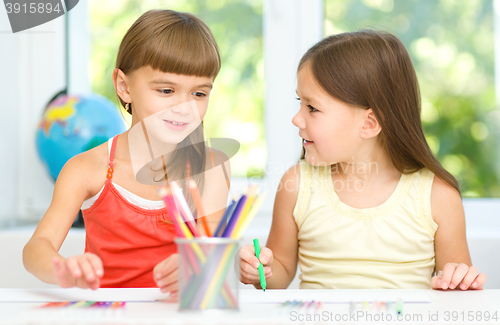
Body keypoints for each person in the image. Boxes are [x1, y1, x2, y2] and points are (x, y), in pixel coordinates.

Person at [238, 30, 487, 291]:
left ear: (369, 124)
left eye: (312, 108)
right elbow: (282, 271)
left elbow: (457, 288)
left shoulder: (438, 197)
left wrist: (460, 283)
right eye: (300, 102)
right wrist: (261, 271)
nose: (297, 119)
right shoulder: (297, 184)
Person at [23, 9, 230, 297]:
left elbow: (212, 259)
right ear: (124, 86)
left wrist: (197, 267)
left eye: (199, 93)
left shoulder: (210, 167)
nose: (185, 107)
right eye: (167, 90)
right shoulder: (85, 169)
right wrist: (63, 268)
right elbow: (36, 248)